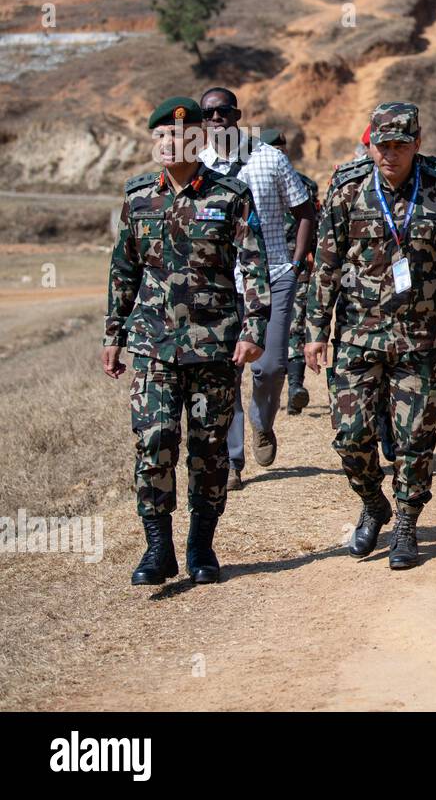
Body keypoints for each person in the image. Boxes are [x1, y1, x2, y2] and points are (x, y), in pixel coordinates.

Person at [304, 102, 436, 570]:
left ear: (417, 143)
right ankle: (373, 501)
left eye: (401, 145)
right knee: (350, 437)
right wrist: (316, 330)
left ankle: (405, 521)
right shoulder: (347, 189)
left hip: (421, 339)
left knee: (414, 439)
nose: (391, 154)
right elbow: (325, 265)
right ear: (372, 144)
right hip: (358, 335)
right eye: (383, 146)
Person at [103, 97, 271, 585]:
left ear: (197, 140)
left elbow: (254, 264)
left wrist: (255, 329)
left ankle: (201, 546)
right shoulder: (137, 198)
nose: (166, 144)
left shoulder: (230, 195)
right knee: (154, 441)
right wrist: (113, 333)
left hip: (214, 346)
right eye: (159, 137)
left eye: (176, 137)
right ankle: (158, 549)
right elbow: (124, 269)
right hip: (153, 346)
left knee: (209, 447)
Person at [198, 87, 315, 484]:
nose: (216, 119)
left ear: (237, 115)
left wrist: (296, 264)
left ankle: (262, 420)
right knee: (225, 372)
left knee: (270, 366)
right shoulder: (197, 166)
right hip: (221, 283)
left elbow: (305, 212)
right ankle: (232, 461)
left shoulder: (270, 158)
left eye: (223, 111)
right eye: (208, 113)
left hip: (275, 276)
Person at [258, 127, 320, 418]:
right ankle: (273, 387)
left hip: (295, 266)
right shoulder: (252, 181)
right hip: (259, 268)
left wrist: (303, 262)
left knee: (295, 325)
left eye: (282, 147)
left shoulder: (304, 185)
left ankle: (295, 386)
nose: (279, 151)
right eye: (274, 146)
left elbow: (313, 222)